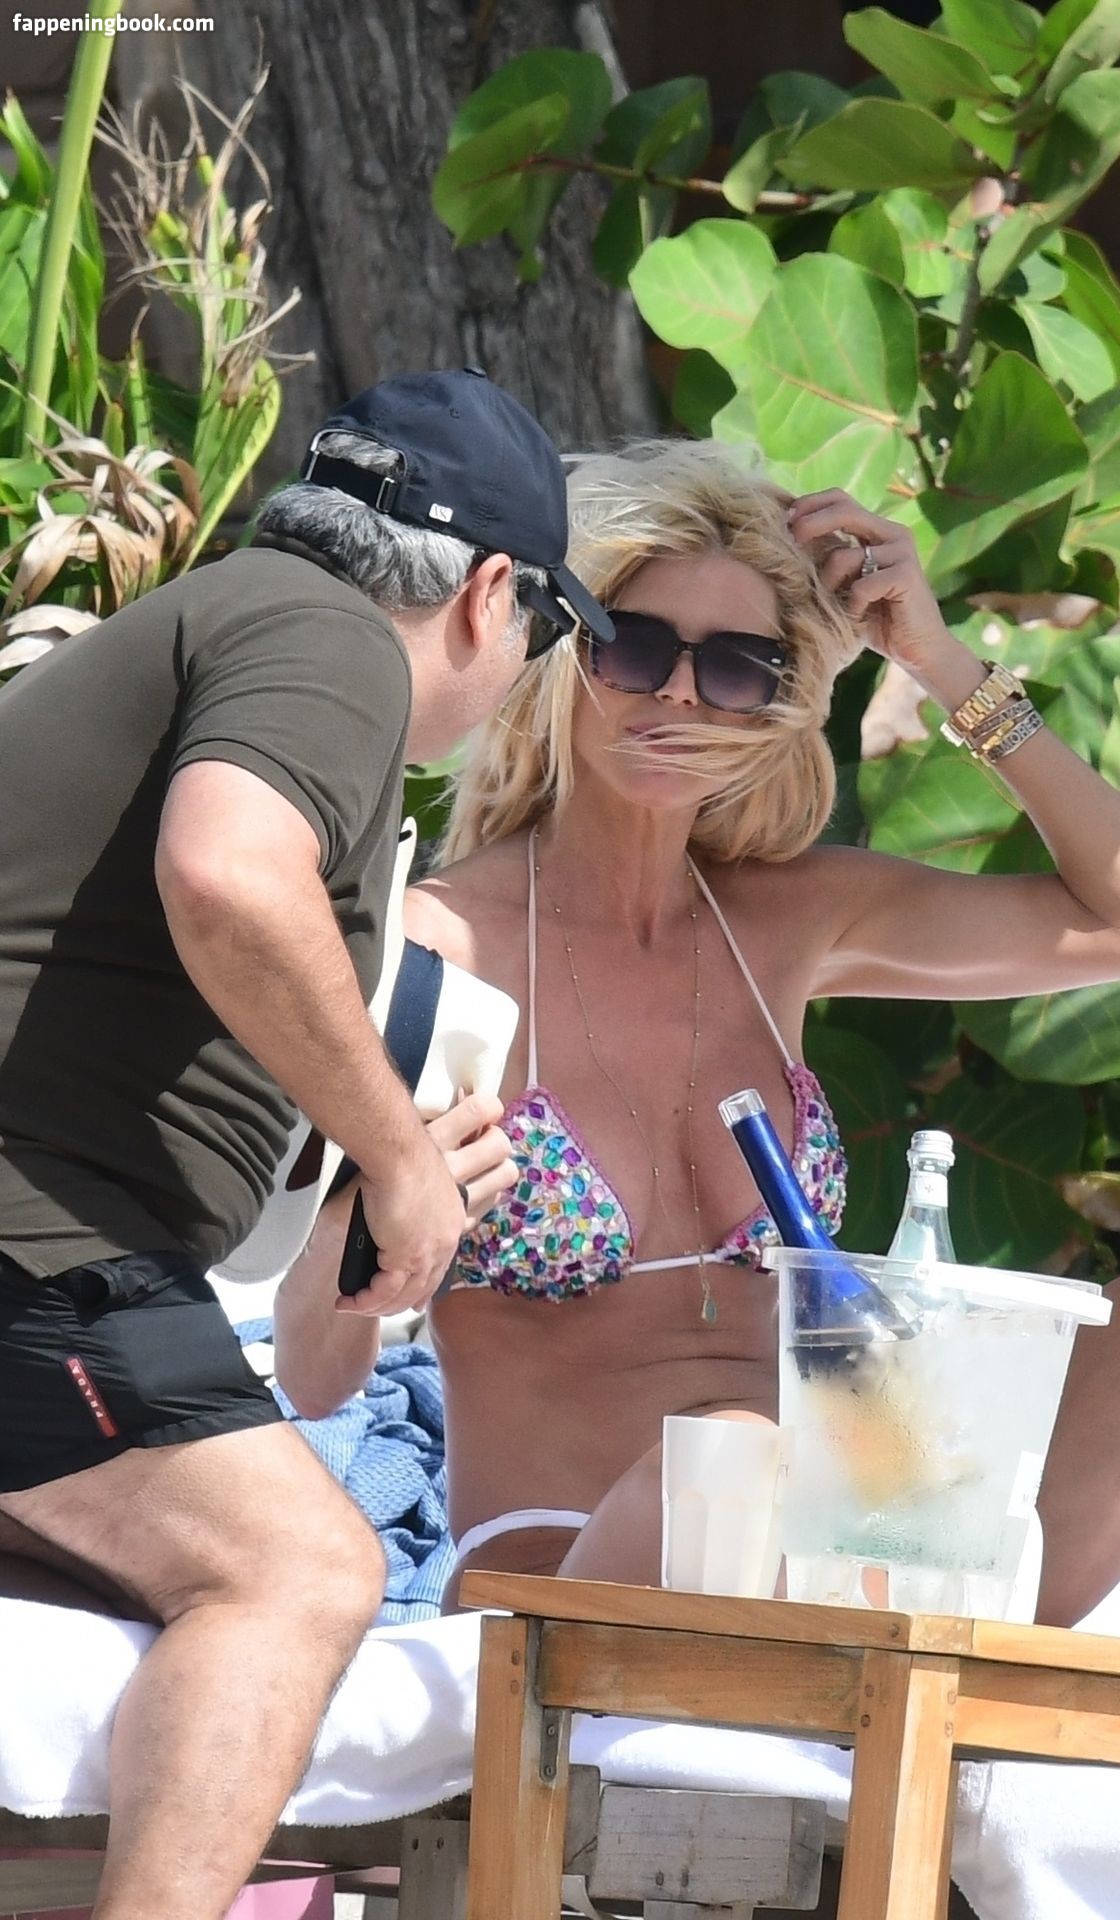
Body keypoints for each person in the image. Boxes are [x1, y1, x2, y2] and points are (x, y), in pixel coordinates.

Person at [275, 438, 1120, 1764]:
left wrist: (943, 664)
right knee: (735, 1449)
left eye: (739, 666)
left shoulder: (785, 923)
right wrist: (370, 1227)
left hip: (866, 1541)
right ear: (565, 647)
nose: (681, 695)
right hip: (582, 1574)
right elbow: (315, 1372)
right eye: (637, 646)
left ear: (780, 699)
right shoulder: (433, 949)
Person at [0, 368, 610, 1920]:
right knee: (300, 1571)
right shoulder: (330, 639)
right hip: (31, 1235)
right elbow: (230, 872)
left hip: (64, 1241)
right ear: (489, 593)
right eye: (550, 632)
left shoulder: (235, 622)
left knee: (149, 1570)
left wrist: (359, 1198)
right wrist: (396, 1154)